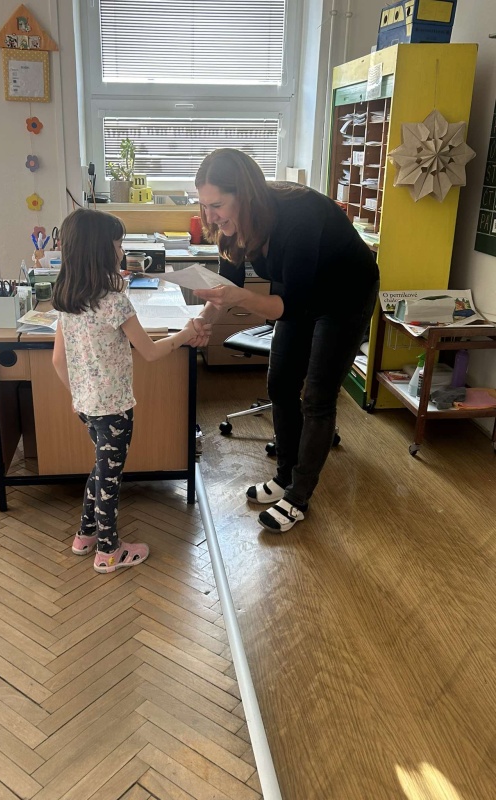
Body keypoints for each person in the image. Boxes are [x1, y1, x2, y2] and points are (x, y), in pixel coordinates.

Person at [191, 148, 379, 534]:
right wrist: (203, 321)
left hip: (345, 297)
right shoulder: (233, 224)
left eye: (217, 205)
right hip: (298, 293)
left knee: (317, 397)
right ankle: (284, 476)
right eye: (204, 206)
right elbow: (228, 284)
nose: (210, 217)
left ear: (244, 194)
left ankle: (298, 496)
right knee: (280, 384)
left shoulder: (298, 216)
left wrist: (241, 298)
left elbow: (288, 305)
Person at [52, 208, 209, 573]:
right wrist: (186, 334)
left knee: (100, 468)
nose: (121, 251)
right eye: (118, 244)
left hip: (86, 406)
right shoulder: (114, 301)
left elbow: (58, 360)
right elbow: (150, 352)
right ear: (101, 250)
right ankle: (108, 552)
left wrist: (80, 396)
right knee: (109, 478)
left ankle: (85, 534)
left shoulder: (67, 299)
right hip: (115, 410)